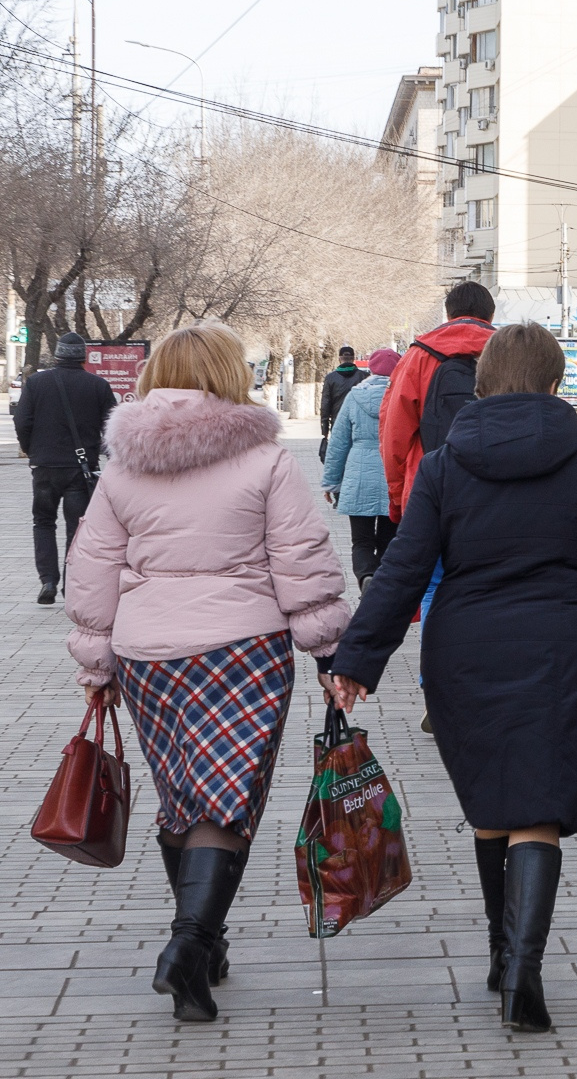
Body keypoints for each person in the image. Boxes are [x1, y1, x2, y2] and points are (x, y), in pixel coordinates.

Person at [325, 322, 577, 1034]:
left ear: (482, 384)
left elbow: (405, 568)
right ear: (552, 383)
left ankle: (501, 953)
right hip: (572, 653)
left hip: (466, 652)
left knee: (492, 806)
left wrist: (357, 661)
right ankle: (522, 972)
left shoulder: (448, 464)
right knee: (537, 812)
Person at [61, 323, 350, 1023]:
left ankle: (205, 947)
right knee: (226, 799)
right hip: (243, 648)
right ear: (228, 374)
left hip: (148, 656)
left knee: (183, 797)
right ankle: (187, 946)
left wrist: (97, 658)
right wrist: (326, 649)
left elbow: (93, 562)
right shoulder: (265, 460)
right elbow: (300, 558)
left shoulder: (124, 465)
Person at [14, 332, 117, 605]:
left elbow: (22, 421)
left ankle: (47, 580)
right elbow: (112, 429)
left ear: (57, 354)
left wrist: (32, 450)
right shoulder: (98, 386)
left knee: (43, 521)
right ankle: (70, 585)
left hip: (45, 466)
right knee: (77, 528)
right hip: (80, 469)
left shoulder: (36, 383)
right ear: (83, 357)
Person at [381, 281, 497, 522]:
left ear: (447, 314)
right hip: (498, 494)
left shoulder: (419, 355)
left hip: (429, 489)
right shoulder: (509, 353)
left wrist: (396, 496)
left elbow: (395, 433)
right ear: (492, 314)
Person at [322, 348, 401, 589]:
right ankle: (384, 589)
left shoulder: (355, 396)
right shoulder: (404, 396)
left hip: (358, 475)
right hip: (393, 475)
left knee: (362, 541)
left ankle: (367, 576)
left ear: (371, 370)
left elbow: (338, 443)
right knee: (391, 540)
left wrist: (331, 482)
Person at [317, 346, 368, 464]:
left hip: (338, 421)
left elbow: (325, 404)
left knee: (339, 454)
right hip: (359, 422)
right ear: (353, 359)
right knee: (357, 453)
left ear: (340, 359)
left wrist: (325, 428)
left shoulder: (331, 378)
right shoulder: (364, 377)